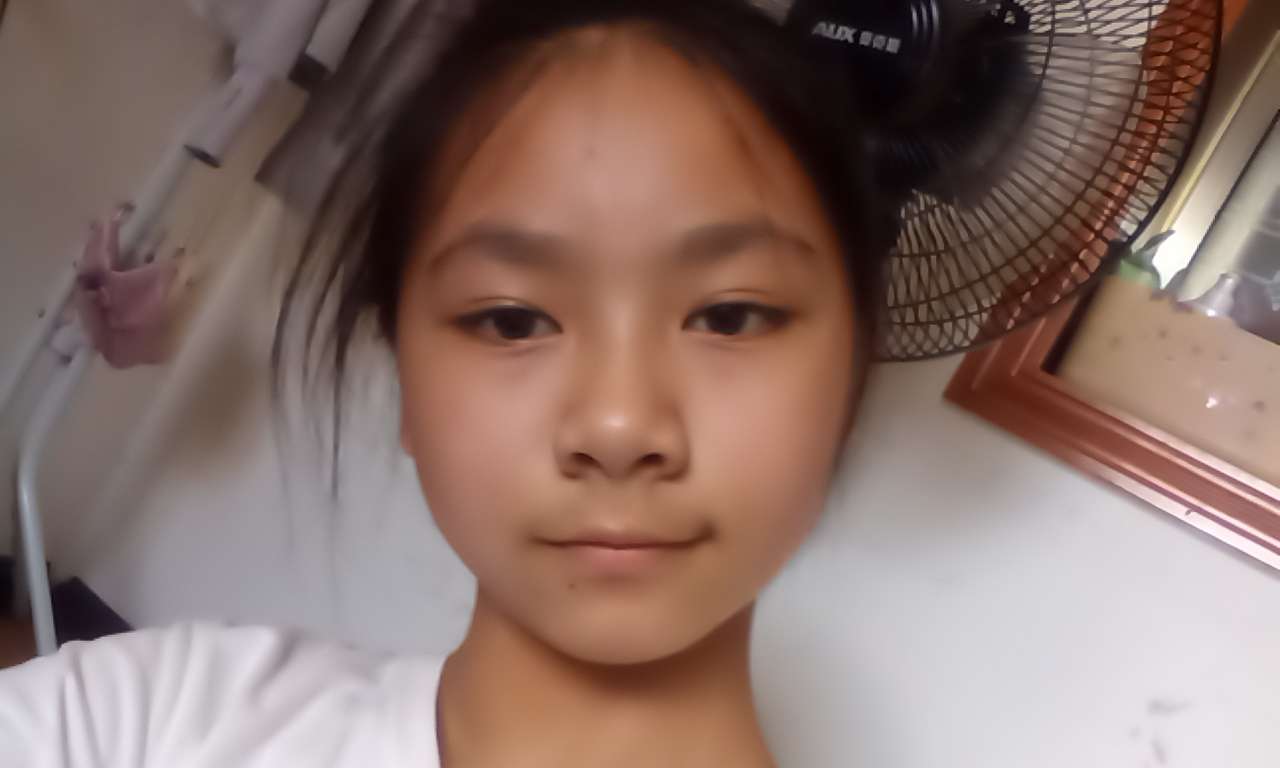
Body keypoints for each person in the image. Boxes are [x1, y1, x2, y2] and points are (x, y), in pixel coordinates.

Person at [0, 0, 897, 764]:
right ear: (407, 378)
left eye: (730, 316)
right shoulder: (148, 723)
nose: (619, 425)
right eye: (512, 321)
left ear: (851, 378)